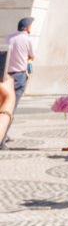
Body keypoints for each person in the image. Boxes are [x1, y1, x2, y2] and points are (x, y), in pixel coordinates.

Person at [1, 15, 35, 148]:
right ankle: (2, 140)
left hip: (6, 75)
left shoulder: (9, 37)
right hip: (20, 75)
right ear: (27, 28)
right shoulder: (28, 40)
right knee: (10, 108)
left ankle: (3, 133)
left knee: (2, 105)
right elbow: (31, 55)